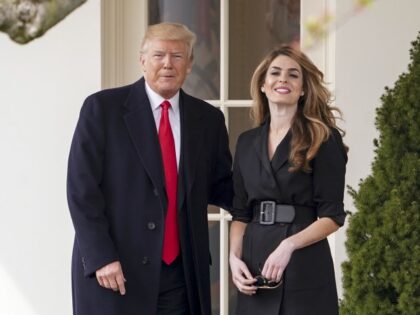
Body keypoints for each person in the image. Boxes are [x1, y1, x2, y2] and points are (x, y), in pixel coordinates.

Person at [67, 22, 233, 315]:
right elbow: (82, 190)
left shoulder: (209, 120)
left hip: (181, 276)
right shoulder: (102, 109)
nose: (168, 64)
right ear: (142, 61)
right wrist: (101, 256)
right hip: (115, 271)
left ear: (190, 64)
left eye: (178, 56)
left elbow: (225, 188)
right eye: (159, 55)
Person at [229, 45, 348, 314]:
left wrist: (288, 246)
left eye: (293, 75)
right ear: (262, 84)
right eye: (275, 73)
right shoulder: (246, 142)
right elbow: (240, 214)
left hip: (302, 261)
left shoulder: (323, 138)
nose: (283, 79)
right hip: (254, 262)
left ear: (304, 89)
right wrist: (234, 258)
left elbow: (332, 217)